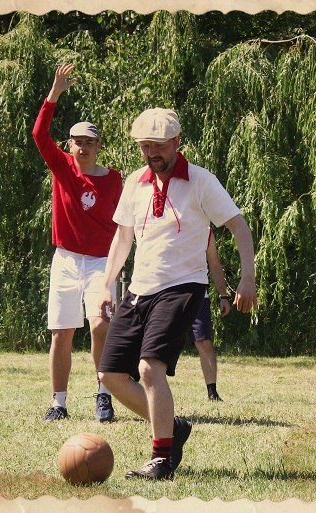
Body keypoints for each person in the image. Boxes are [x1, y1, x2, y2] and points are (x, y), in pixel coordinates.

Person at [97, 107, 257, 480]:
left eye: (159, 146)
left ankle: (162, 458)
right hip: (140, 289)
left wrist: (246, 278)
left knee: (149, 368)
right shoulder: (135, 181)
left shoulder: (201, 181)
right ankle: (175, 428)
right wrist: (107, 284)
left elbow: (239, 226)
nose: (152, 153)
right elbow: (122, 238)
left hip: (183, 286)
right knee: (110, 374)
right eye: (144, 146)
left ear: (177, 142)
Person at [32, 63, 123, 423]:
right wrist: (54, 93)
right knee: (62, 332)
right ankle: (58, 403)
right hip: (66, 260)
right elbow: (40, 134)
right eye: (77, 141)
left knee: (101, 326)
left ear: (98, 146)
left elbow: (125, 225)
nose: (82, 147)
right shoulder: (63, 167)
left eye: (89, 141)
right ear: (70, 145)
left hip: (102, 263)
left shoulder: (115, 180)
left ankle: (104, 394)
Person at [190, 229, 231, 402]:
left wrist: (223, 295)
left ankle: (212, 392)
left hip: (198, 295)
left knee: (204, 343)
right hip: (167, 293)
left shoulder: (206, 231)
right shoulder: (168, 223)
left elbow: (214, 264)